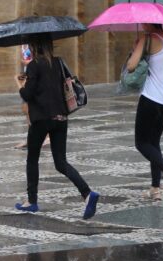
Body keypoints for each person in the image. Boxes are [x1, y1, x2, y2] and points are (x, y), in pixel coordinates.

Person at [14, 34, 99, 219]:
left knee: (32, 159)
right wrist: (29, 78)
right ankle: (87, 193)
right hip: (61, 118)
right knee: (61, 163)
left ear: (34, 46)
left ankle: (31, 201)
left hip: (41, 119)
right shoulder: (59, 62)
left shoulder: (34, 65)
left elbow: (27, 94)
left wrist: (20, 83)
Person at [126, 24, 163, 200]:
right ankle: (155, 188)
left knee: (141, 143)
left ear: (150, 22)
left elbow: (131, 66)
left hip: (151, 97)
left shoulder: (147, 39)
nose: (142, 24)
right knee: (154, 143)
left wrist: (136, 49)